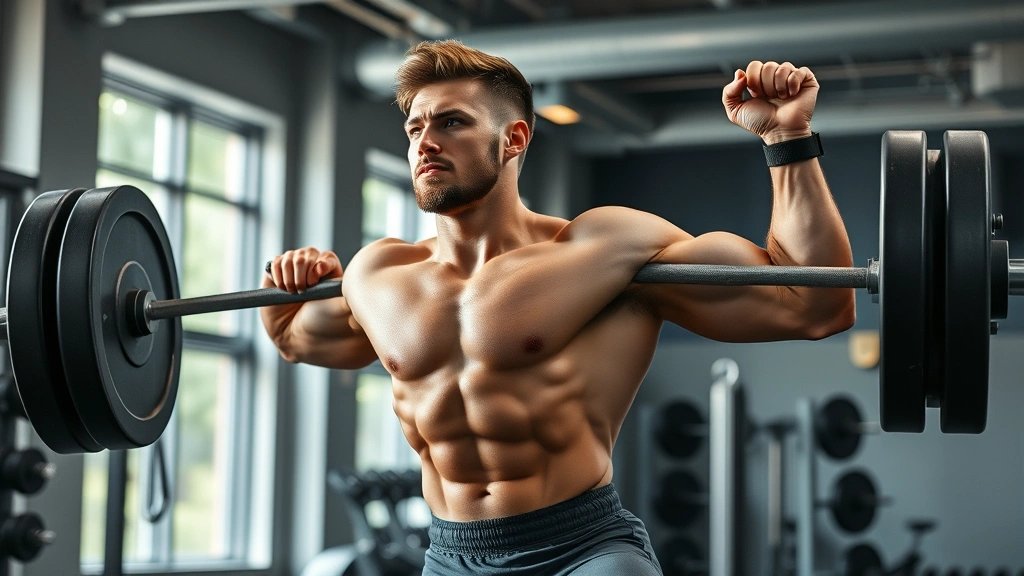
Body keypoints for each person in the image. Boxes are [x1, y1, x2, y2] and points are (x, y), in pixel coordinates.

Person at [261, 40, 855, 576]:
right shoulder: (378, 273)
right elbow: (299, 338)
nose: (426, 143)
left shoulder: (607, 248)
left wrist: (787, 138)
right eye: (415, 128)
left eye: (452, 123)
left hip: (581, 551)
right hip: (447, 557)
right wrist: (287, 288)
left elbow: (813, 304)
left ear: (514, 139)